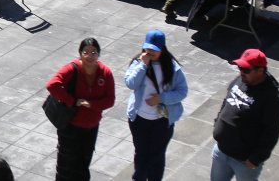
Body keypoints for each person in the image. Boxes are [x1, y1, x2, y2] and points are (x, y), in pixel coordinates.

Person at [46, 38, 116, 181]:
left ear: (98, 54)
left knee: (82, 169)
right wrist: (72, 101)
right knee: (65, 169)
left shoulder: (105, 73)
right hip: (71, 127)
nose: (90, 56)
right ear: (80, 54)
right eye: (86, 52)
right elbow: (52, 85)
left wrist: (91, 104)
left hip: (91, 128)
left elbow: (110, 100)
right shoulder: (72, 69)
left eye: (94, 52)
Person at [210, 49, 279, 181]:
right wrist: (217, 124)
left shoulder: (272, 98)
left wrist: (256, 159)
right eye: (240, 67)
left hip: (243, 161)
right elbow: (226, 102)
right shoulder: (241, 80)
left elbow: (271, 133)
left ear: (260, 71)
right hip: (221, 151)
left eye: (246, 70)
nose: (241, 72)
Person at [125, 30, 188, 181]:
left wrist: (162, 98)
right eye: (148, 48)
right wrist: (142, 65)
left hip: (162, 120)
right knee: (141, 154)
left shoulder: (173, 68)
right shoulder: (138, 63)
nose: (151, 52)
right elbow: (131, 83)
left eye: (155, 49)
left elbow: (182, 91)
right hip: (139, 119)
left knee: (156, 157)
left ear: (162, 49)